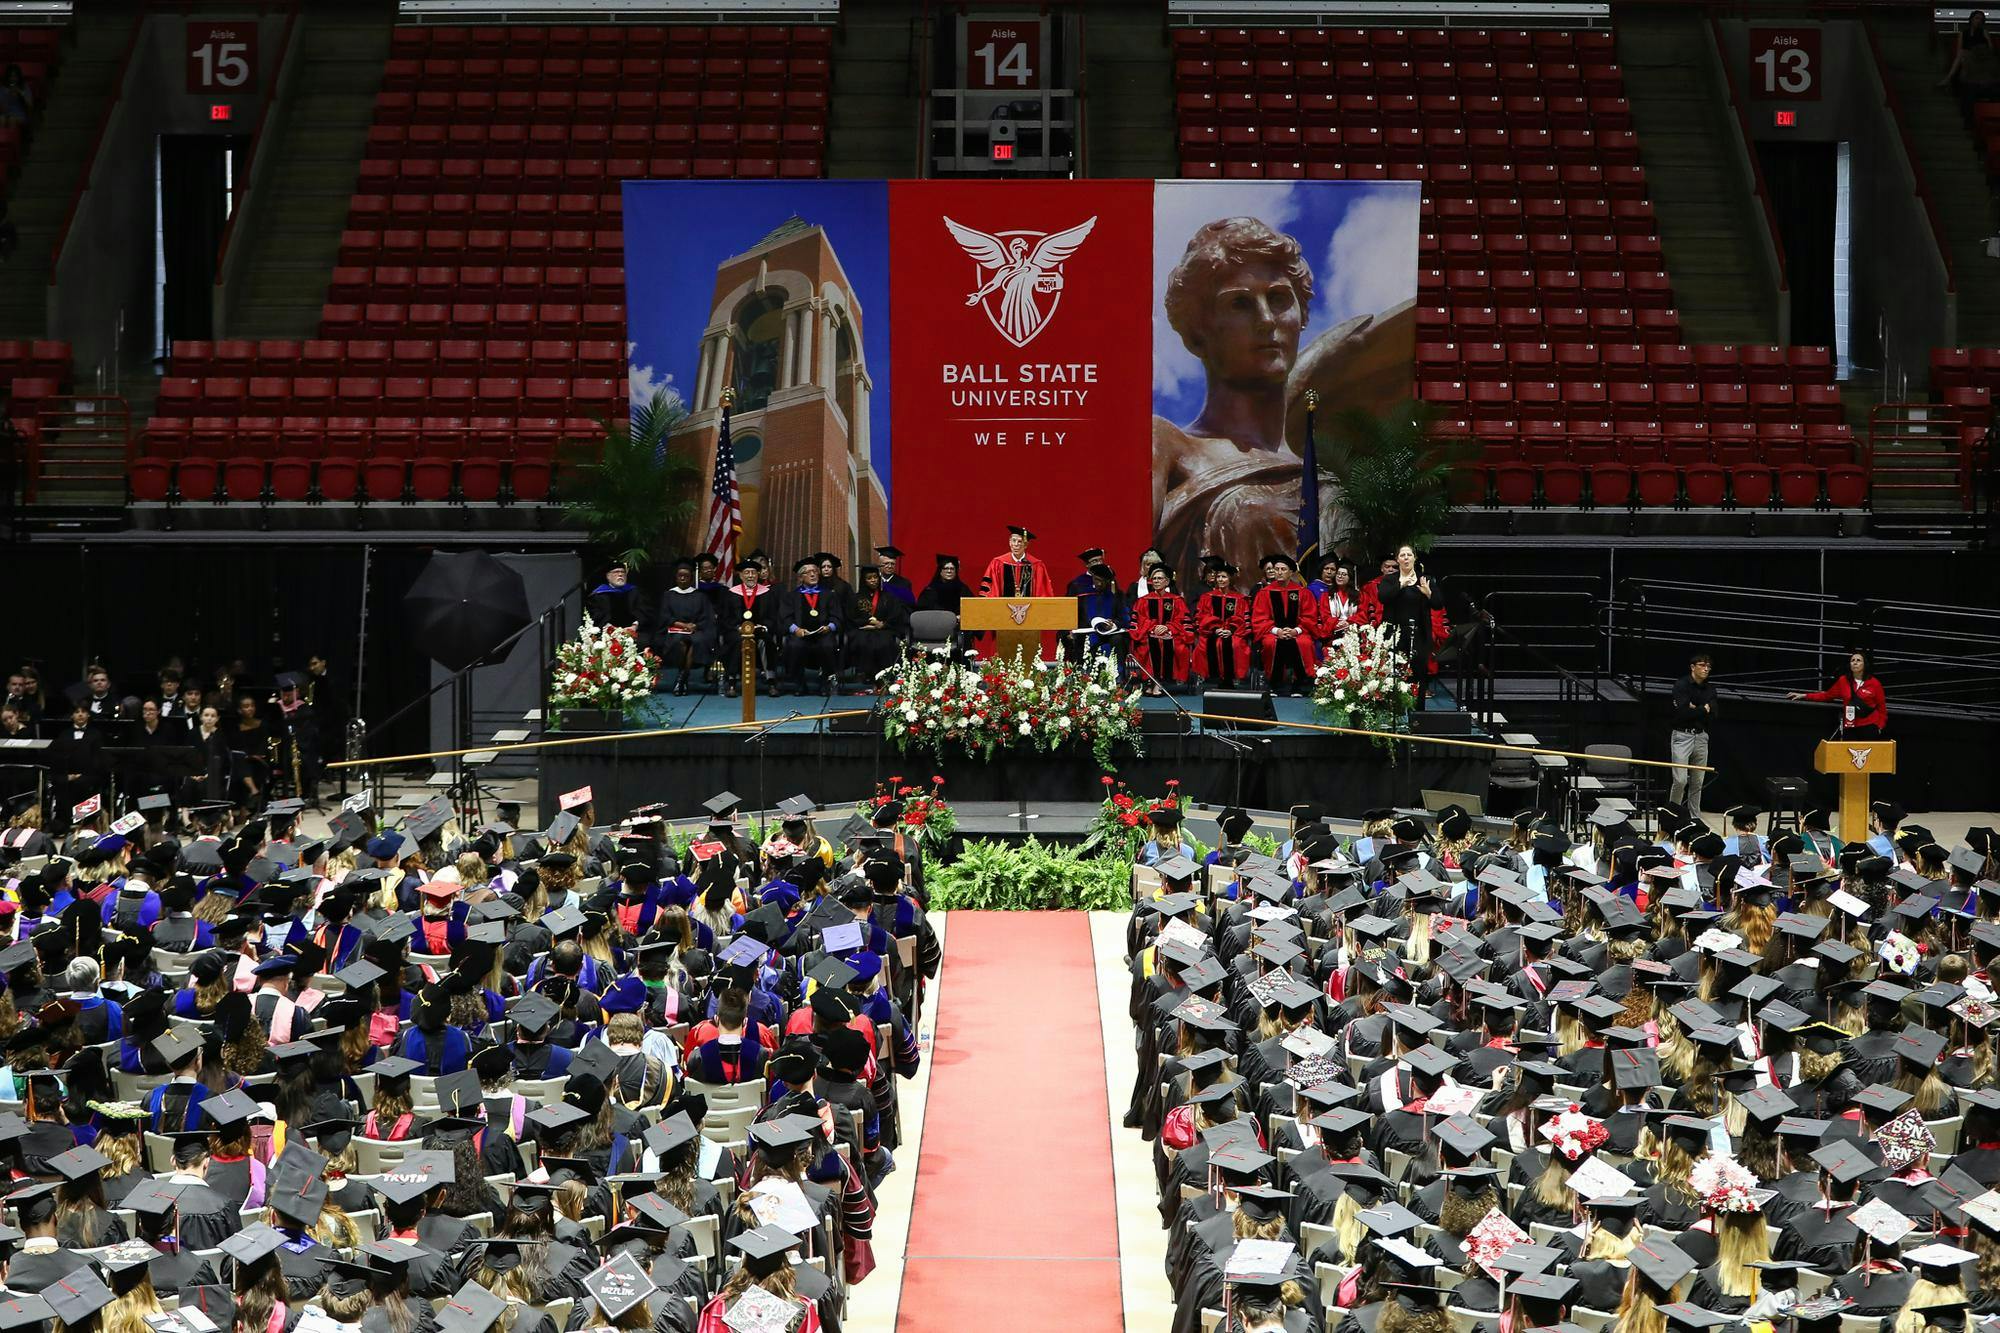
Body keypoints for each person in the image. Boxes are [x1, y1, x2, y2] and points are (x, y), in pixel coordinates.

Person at [1153, 215, 1405, 578]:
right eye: (1239, 303)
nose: (1267, 319)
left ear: (1301, 316)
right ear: (1196, 334)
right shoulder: (1169, 443)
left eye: (1279, 298)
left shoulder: (1316, 458)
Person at [1373, 544, 1443, 708]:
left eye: (1409, 555)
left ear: (1414, 558)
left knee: (1419, 673)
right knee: (1393, 673)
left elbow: (1438, 604)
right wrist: (1401, 585)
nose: (1405, 558)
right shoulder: (1390, 579)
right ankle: (1391, 711)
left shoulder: (1424, 579)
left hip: (1419, 634)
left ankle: (1418, 713)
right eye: (1402, 555)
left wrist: (1429, 594)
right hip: (1395, 633)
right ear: (1397, 560)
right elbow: (1383, 597)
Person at [1249, 552, 1322, 696]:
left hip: (1298, 632)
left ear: (1290, 572)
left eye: (1283, 569)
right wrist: (1277, 631)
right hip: (1273, 632)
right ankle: (1275, 684)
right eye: (1276, 569)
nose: (1279, 572)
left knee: (1304, 643)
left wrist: (1296, 631)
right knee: (1270, 643)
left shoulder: (1302, 592)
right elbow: (1259, 618)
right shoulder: (1265, 593)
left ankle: (1300, 685)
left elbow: (1310, 617)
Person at [653, 559, 718, 697]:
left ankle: (681, 678)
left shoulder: (700, 596)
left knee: (694, 642)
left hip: (695, 631)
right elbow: (664, 616)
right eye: (680, 576)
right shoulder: (668, 595)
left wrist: (695, 625)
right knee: (681, 642)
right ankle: (683, 679)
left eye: (686, 576)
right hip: (673, 630)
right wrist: (681, 625)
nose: (682, 578)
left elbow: (707, 617)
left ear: (691, 578)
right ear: (675, 577)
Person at [778, 558, 840, 697]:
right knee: (795, 646)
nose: (813, 575)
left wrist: (829, 627)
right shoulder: (792, 596)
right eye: (809, 572)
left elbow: (836, 616)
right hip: (801, 634)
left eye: (815, 571)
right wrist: (796, 630)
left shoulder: (828, 594)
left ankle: (825, 682)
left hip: (823, 634)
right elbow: (786, 617)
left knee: (828, 646)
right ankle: (799, 683)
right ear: (801, 577)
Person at [1789, 650, 1888, 737]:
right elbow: (1827, 695)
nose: (1855, 663)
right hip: (1850, 725)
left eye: (1858, 660)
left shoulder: (1874, 683)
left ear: (1864, 664)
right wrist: (1804, 695)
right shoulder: (1843, 681)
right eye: (1852, 660)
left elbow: (1882, 708)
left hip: (1869, 726)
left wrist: (1879, 727)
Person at [1129, 564, 1193, 694]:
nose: (1156, 581)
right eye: (1154, 579)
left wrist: (1167, 627)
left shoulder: (1177, 600)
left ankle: (1158, 682)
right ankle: (1151, 681)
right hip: (1148, 634)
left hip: (1172, 634)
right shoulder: (1143, 601)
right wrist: (1152, 628)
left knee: (1169, 644)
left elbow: (1183, 620)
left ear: (1167, 581)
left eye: (1160, 578)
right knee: (1148, 644)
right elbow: (1138, 621)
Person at [842, 565, 909, 689]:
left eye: (875, 577)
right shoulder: (855, 598)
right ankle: (866, 674)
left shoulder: (888, 597)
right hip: (862, 629)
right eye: (869, 578)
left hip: (883, 629)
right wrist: (868, 622)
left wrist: (881, 624)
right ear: (864, 580)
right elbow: (851, 617)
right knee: (862, 642)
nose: (873, 580)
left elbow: (895, 615)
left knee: (883, 643)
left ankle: (884, 675)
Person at [722, 554, 778, 700]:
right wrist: (737, 628)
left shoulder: (766, 593)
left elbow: (773, 617)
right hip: (737, 631)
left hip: (759, 631)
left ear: (758, 575)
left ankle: (771, 681)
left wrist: (764, 626)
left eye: (753, 572)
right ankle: (732, 682)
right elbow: (724, 618)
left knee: (765, 642)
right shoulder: (731, 593)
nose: (750, 576)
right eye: (747, 572)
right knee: (735, 641)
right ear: (740, 575)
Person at [1669, 651, 1717, 812]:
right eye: (1702, 665)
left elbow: (1714, 713)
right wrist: (1703, 709)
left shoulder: (1710, 688)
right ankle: (1673, 813)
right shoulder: (1681, 685)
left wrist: (1695, 708)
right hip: (1682, 735)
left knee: (1698, 781)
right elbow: (1682, 713)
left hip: (1701, 736)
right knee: (1680, 780)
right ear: (1692, 667)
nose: (1706, 669)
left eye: (1708, 666)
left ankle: (1694, 816)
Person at [1193, 558, 1251, 687]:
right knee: (1208, 645)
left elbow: (1244, 620)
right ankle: (1214, 679)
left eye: (1223, 577)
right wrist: (1215, 629)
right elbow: (1201, 617)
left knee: (1235, 645)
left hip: (1234, 633)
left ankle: (1230, 678)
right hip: (1211, 633)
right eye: (1218, 577)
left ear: (1230, 579)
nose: (1220, 580)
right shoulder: (1207, 597)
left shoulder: (1239, 599)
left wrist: (1231, 630)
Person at [1070, 562, 1129, 669]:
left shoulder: (1116, 596)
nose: (1099, 584)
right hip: (1088, 632)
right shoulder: (1083, 596)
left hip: (1110, 634)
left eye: (1102, 581)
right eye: (1097, 579)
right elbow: (1074, 616)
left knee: (1118, 639)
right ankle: (1083, 676)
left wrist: (1114, 624)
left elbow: (1124, 618)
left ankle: (1118, 677)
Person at [977, 525, 1053, 598]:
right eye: (1013, 541)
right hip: (1002, 609)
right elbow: (990, 591)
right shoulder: (997, 563)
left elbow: (1043, 593)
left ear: (1026, 545)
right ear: (1009, 543)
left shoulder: (1036, 565)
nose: (1016, 544)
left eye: (1020, 541)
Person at [586, 562, 641, 631]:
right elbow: (595, 615)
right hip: (607, 633)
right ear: (608, 576)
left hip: (635, 632)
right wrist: (609, 628)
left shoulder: (635, 592)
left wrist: (635, 625)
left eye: (623, 572)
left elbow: (644, 612)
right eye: (616, 572)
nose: (620, 574)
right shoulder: (598, 594)